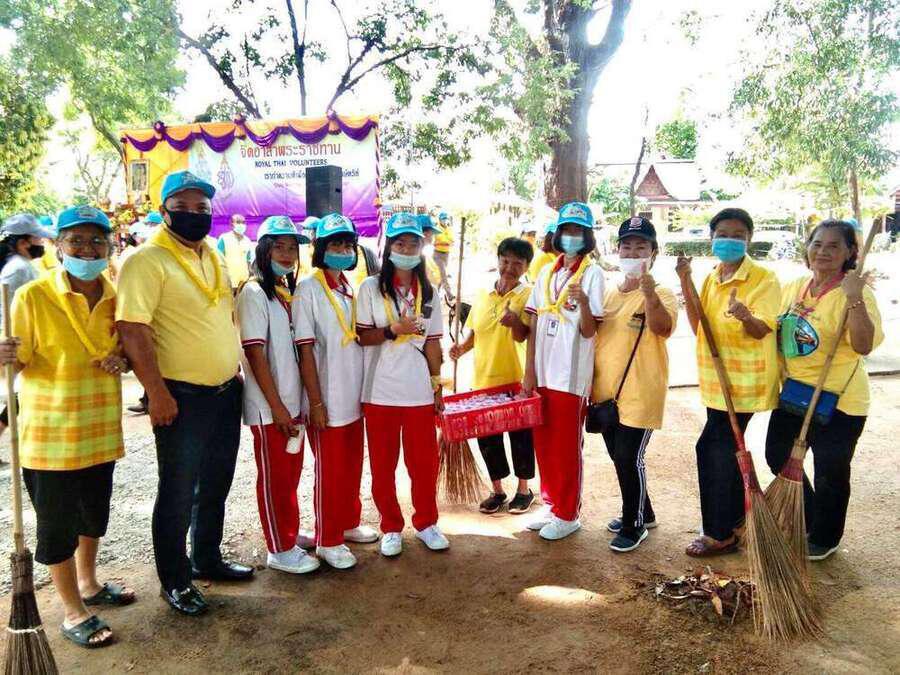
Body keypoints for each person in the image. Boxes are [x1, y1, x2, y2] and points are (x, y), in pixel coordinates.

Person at [117, 170, 252, 618]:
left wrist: (232, 368)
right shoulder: (145, 260)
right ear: (164, 211)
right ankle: (175, 581)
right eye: (183, 207)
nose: (194, 214)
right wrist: (155, 393)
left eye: (202, 208)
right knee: (177, 490)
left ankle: (206, 558)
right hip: (180, 396)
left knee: (216, 482)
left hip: (224, 391)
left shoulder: (212, 254)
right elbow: (133, 329)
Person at [0, 205, 133, 648]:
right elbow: (15, 364)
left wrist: (122, 360)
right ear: (58, 246)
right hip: (50, 439)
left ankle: (89, 583)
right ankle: (73, 610)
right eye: (76, 240)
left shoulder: (117, 297)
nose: (87, 249)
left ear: (109, 246)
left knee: (93, 516)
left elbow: (126, 351)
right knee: (56, 528)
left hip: (99, 432)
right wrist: (3, 355)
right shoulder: (32, 297)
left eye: (97, 240)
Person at [766, 219, 883, 561]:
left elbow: (863, 346)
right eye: (817, 244)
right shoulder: (795, 287)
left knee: (831, 468)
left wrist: (855, 297)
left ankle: (825, 535)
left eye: (834, 246)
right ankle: (811, 514)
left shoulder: (857, 292)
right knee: (778, 454)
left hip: (840, 400)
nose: (823, 251)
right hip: (795, 393)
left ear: (850, 252)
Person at [676, 207, 780, 557]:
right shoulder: (712, 277)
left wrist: (746, 316)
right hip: (715, 382)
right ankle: (735, 521)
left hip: (745, 384)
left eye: (738, 235)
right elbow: (699, 325)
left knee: (711, 448)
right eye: (722, 234)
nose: (729, 241)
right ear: (711, 238)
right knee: (724, 449)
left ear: (750, 239)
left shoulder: (763, 278)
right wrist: (685, 280)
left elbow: (763, 329)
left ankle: (720, 533)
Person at [356, 212, 447, 557]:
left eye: (413, 243)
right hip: (379, 391)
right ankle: (390, 526)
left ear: (422, 247)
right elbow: (362, 337)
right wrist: (393, 330)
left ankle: (426, 523)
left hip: (418, 391)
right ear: (389, 247)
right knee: (383, 465)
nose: (407, 249)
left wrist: (437, 386)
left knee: (423, 463)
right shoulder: (370, 288)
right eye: (400, 243)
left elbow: (433, 343)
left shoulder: (430, 292)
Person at [294, 213, 380, 568]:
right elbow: (304, 349)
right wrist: (315, 402)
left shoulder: (347, 286)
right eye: (335, 245)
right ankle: (327, 539)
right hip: (327, 398)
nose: (342, 251)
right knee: (329, 471)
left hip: (352, 395)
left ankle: (347, 522)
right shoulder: (308, 289)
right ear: (320, 249)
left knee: (351, 465)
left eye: (347, 245)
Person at [236, 215, 320, 575]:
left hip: (290, 403)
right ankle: (279, 549)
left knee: (290, 475)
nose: (286, 254)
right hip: (271, 408)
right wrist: (278, 407)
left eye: (291, 248)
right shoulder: (254, 293)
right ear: (263, 250)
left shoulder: (284, 292)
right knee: (275, 479)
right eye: (278, 247)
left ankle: (288, 533)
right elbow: (255, 354)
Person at [591, 217, 678, 552]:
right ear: (617, 250)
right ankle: (645, 511)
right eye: (626, 246)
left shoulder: (662, 292)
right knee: (618, 456)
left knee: (629, 457)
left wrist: (649, 294)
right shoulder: (608, 293)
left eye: (641, 247)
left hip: (641, 392)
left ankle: (634, 524)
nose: (632, 253)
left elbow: (663, 328)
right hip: (606, 394)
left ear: (653, 253)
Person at [522, 202, 605, 541]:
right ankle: (551, 502)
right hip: (543, 372)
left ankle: (568, 513)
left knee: (566, 447)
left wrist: (583, 301)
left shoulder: (593, 274)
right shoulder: (546, 272)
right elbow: (533, 322)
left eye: (578, 231)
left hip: (570, 376)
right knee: (543, 441)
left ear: (587, 237)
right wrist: (529, 372)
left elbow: (589, 330)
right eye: (566, 230)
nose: (571, 236)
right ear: (557, 234)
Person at [450, 237, 536, 515]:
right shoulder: (483, 294)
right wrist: (460, 349)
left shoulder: (528, 295)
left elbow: (524, 336)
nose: (510, 268)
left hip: (515, 380)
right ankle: (498, 491)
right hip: (483, 380)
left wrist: (515, 322)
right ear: (498, 260)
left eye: (517, 263)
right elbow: (476, 333)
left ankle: (523, 490)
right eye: (505, 261)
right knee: (488, 439)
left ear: (526, 267)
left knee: (520, 437)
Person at [0, 214, 52, 445]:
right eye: (38, 239)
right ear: (23, 242)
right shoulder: (18, 269)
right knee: (24, 392)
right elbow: (8, 308)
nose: (42, 243)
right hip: (17, 339)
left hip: (23, 337)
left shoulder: (22, 266)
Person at [217, 213, 253, 288]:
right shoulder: (224, 238)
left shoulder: (247, 240)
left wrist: (250, 275)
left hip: (244, 281)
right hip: (228, 281)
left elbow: (248, 260)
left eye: (243, 222)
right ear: (232, 224)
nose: (241, 225)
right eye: (238, 222)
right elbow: (218, 259)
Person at [432, 211, 454, 299]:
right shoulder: (437, 228)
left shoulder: (448, 229)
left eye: (446, 218)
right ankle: (449, 294)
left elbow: (451, 239)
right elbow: (440, 239)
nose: (445, 220)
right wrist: (446, 241)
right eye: (443, 219)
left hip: (446, 254)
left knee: (440, 276)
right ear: (439, 220)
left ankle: (435, 293)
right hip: (438, 254)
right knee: (443, 273)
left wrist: (446, 240)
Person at [417, 213, 443, 289]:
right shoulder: (417, 258)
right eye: (432, 233)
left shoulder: (425, 256)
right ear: (425, 234)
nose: (434, 237)